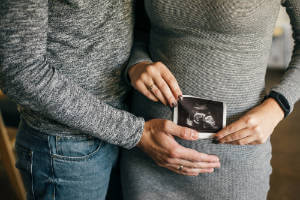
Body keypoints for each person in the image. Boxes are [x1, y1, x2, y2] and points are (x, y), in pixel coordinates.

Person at [0, 0, 221, 199]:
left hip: (128, 126)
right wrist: (132, 132)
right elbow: (19, 71)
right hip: (67, 147)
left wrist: (137, 64)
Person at [121, 0, 300, 199]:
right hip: (151, 150)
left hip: (234, 163)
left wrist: (279, 105)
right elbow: (139, 28)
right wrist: (137, 65)